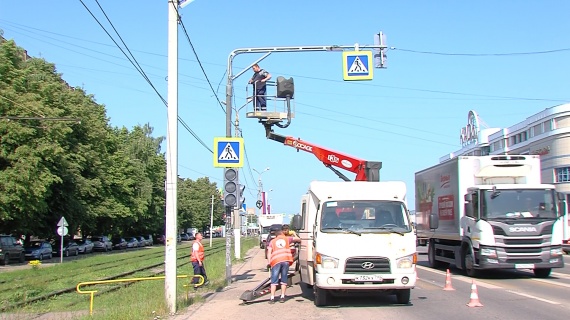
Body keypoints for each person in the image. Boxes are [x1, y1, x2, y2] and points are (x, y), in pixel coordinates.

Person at [266, 228, 300, 304]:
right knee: (284, 280)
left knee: (274, 280)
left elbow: (269, 253)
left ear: (276, 235)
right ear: (282, 234)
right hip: (285, 261)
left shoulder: (272, 241)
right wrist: (293, 233)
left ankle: (272, 298)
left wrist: (269, 262)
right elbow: (298, 239)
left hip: (276, 261)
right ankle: (282, 297)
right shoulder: (287, 239)